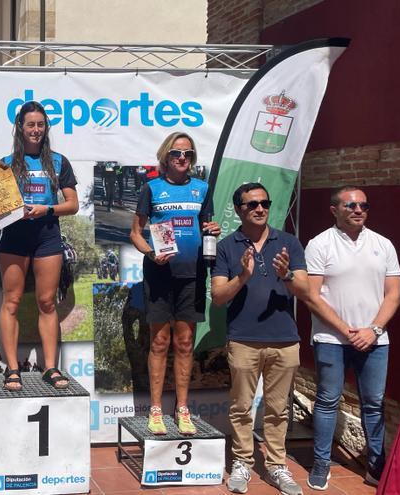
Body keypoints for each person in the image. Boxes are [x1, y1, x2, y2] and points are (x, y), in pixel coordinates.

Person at [211, 183, 308, 495]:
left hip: (285, 340)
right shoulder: (227, 246)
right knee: (241, 407)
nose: (260, 208)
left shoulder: (288, 243)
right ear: (239, 209)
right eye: (252, 204)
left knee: (279, 409)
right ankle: (242, 461)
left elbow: (306, 291)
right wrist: (243, 277)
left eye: (265, 203)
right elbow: (218, 297)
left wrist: (287, 275)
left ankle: (277, 466)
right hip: (243, 340)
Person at [303, 186, 400, 490]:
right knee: (327, 401)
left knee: (373, 404)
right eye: (351, 206)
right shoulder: (320, 244)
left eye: (363, 206)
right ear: (335, 210)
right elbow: (311, 296)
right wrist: (347, 331)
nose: (358, 210)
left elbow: (394, 294)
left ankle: (375, 466)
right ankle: (321, 464)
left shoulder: (383, 244)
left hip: (375, 340)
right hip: (332, 339)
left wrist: (373, 330)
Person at [129, 132, 220, 436]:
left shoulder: (202, 189)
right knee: (159, 342)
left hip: (192, 276)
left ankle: (182, 408)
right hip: (159, 274)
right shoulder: (151, 188)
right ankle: (156, 409)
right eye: (177, 154)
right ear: (165, 157)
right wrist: (151, 253)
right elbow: (136, 234)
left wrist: (213, 228)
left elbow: (206, 225)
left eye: (188, 154)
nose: (183, 159)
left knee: (184, 344)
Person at [0, 100, 79, 392]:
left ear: (46, 128)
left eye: (41, 125)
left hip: (47, 235)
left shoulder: (59, 161)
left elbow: (73, 205)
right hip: (15, 237)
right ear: (20, 127)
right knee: (12, 301)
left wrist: (47, 210)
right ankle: (12, 369)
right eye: (30, 124)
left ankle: (50, 367)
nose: (36, 130)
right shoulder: (5, 165)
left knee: (46, 302)